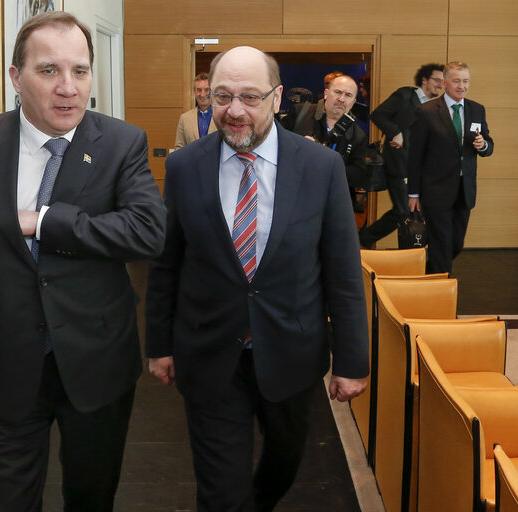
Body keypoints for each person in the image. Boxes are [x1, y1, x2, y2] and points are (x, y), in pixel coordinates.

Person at [0, 11, 165, 512]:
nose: (68, 88)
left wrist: (46, 221)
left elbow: (147, 231)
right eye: (49, 70)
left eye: (80, 71)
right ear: (16, 78)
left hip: (97, 364)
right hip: (1, 371)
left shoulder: (121, 143)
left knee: (92, 498)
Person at [145, 46, 368, 512]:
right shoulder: (186, 166)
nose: (235, 110)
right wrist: (159, 344)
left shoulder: (321, 168)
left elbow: (343, 273)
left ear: (277, 96)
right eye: (223, 96)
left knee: (284, 463)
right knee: (221, 493)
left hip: (291, 352)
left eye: (250, 96)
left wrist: (352, 360)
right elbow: (168, 262)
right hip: (208, 352)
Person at [408, 61, 493, 274]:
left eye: (465, 81)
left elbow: (488, 146)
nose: (462, 86)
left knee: (455, 244)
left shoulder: (476, 109)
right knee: (441, 243)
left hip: (465, 190)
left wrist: (483, 145)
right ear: (445, 83)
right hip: (436, 190)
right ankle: (439, 292)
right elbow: (415, 155)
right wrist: (414, 192)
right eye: (456, 81)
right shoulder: (426, 111)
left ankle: (429, 274)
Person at [359, 63, 444, 248]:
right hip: (399, 165)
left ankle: (411, 250)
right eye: (437, 80)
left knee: (416, 213)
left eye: (442, 82)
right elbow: (378, 114)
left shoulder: (437, 106)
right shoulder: (406, 95)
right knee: (402, 210)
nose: (440, 85)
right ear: (424, 80)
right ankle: (362, 239)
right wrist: (395, 132)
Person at [280, 74, 368, 212]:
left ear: (353, 101)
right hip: (293, 198)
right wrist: (300, 147)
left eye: (348, 95)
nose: (341, 99)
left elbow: (359, 175)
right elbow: (277, 143)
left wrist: (329, 162)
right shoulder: (301, 113)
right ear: (326, 93)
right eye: (337, 92)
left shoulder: (357, 135)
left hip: (332, 205)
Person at [175, 72, 217, 148]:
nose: (202, 94)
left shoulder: (222, 117)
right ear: (194, 91)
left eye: (207, 90)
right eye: (199, 90)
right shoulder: (184, 119)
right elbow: (179, 148)